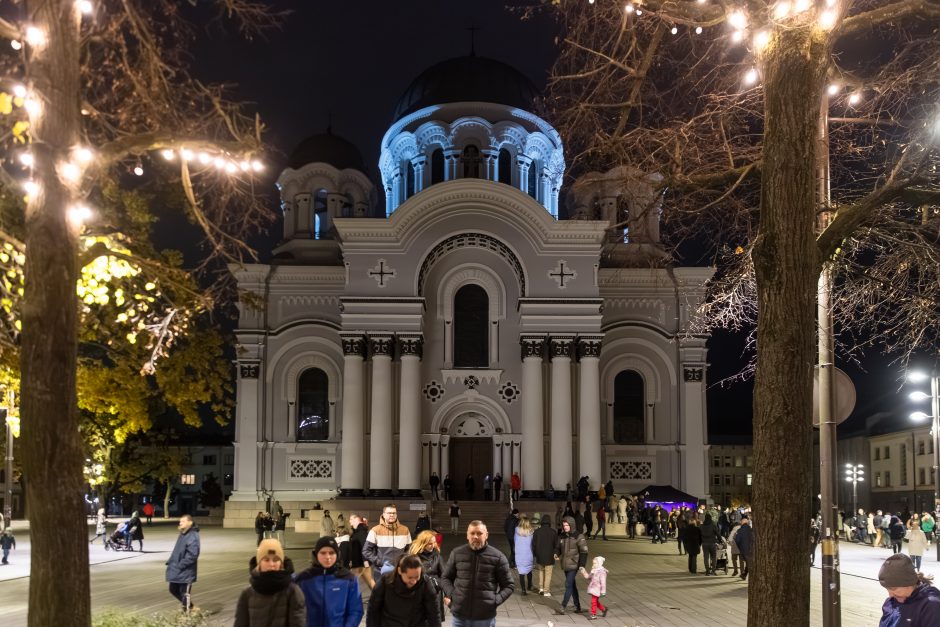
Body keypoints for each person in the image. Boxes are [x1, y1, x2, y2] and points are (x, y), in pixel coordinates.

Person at [440, 521, 514, 627]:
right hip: (460, 617)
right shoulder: (456, 553)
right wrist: (453, 595)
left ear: (486, 535)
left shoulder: (498, 557)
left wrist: (495, 601)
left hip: (485, 618)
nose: (475, 536)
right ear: (467, 535)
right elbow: (445, 578)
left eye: (479, 533)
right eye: (472, 533)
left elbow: (509, 585)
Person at [234, 538, 306, 627]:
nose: (271, 564)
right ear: (259, 563)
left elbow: (298, 623)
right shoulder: (247, 594)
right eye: (266, 560)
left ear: (281, 563)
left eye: (276, 560)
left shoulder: (293, 592)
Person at [296, 537, 363, 627]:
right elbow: (295, 609)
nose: (328, 557)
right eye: (323, 553)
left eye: (331, 553)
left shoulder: (348, 579)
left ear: (337, 554)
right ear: (316, 554)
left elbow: (356, 610)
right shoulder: (304, 578)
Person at [367, 553, 441, 627]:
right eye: (410, 577)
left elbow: (433, 614)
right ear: (399, 571)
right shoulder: (385, 582)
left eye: (416, 577)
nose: (414, 581)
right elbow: (373, 611)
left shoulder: (425, 583)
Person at [877, 553, 940, 626]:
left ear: (909, 583)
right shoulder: (890, 603)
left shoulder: (931, 606)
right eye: (887, 589)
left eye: (893, 589)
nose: (890, 595)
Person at [363, 504, 412, 579]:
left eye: (394, 513)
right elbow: (366, 551)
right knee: (382, 591)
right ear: (384, 515)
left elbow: (409, 549)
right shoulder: (375, 530)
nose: (392, 515)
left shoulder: (405, 530)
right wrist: (379, 562)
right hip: (380, 571)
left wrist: (403, 561)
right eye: (389, 513)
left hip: (400, 570)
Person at [165, 514, 200, 613]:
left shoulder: (192, 535)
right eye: (180, 521)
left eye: (183, 521)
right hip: (177, 568)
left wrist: (181, 565)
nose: (180, 523)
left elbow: (193, 554)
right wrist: (171, 561)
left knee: (185, 593)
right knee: (173, 590)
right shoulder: (183, 534)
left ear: (190, 522)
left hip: (186, 570)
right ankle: (191, 607)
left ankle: (187, 615)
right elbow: (177, 550)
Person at [554, 516, 588, 615]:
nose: (565, 527)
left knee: (568, 584)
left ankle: (563, 606)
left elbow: (584, 552)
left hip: (574, 564)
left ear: (571, 525)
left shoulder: (579, 536)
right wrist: (556, 553)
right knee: (572, 585)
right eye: (564, 525)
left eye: (567, 525)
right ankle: (578, 607)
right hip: (565, 564)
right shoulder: (561, 536)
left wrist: (581, 565)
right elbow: (558, 547)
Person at [409, 530, 445, 618]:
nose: (432, 545)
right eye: (429, 543)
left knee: (434, 620)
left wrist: (437, 584)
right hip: (418, 594)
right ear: (423, 543)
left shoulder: (437, 556)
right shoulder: (414, 557)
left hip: (435, 593)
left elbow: (444, 576)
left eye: (434, 543)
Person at [347, 514, 375, 591]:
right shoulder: (358, 532)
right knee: (370, 581)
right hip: (359, 562)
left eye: (351, 519)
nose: (349, 521)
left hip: (360, 563)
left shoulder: (361, 532)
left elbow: (364, 547)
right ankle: (379, 597)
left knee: (350, 583)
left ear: (356, 519)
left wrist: (365, 561)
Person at [533, 514, 558, 597]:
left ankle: (541, 588)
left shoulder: (537, 532)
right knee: (548, 574)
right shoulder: (553, 532)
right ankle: (546, 591)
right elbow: (556, 545)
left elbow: (533, 544)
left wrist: (535, 554)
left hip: (540, 556)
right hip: (549, 557)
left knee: (541, 572)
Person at [579, 556, 608, 620]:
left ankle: (593, 614)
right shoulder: (594, 570)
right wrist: (583, 571)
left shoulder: (602, 572)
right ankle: (603, 609)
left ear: (599, 563)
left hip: (597, 589)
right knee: (595, 601)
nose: (593, 564)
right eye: (593, 563)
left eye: (595, 563)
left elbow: (603, 583)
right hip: (593, 588)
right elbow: (588, 577)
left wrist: (603, 591)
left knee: (593, 602)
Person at [514, 515, 535, 595]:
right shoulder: (531, 531)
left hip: (519, 554)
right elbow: (532, 543)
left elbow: (515, 541)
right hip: (528, 553)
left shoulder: (516, 530)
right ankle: (529, 586)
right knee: (529, 571)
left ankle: (523, 590)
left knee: (521, 572)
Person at [735, 515, 753, 580]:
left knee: (749, 563)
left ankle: (745, 575)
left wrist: (740, 547)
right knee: (749, 562)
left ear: (742, 523)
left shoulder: (740, 530)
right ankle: (744, 574)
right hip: (752, 549)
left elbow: (737, 540)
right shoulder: (751, 530)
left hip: (744, 550)